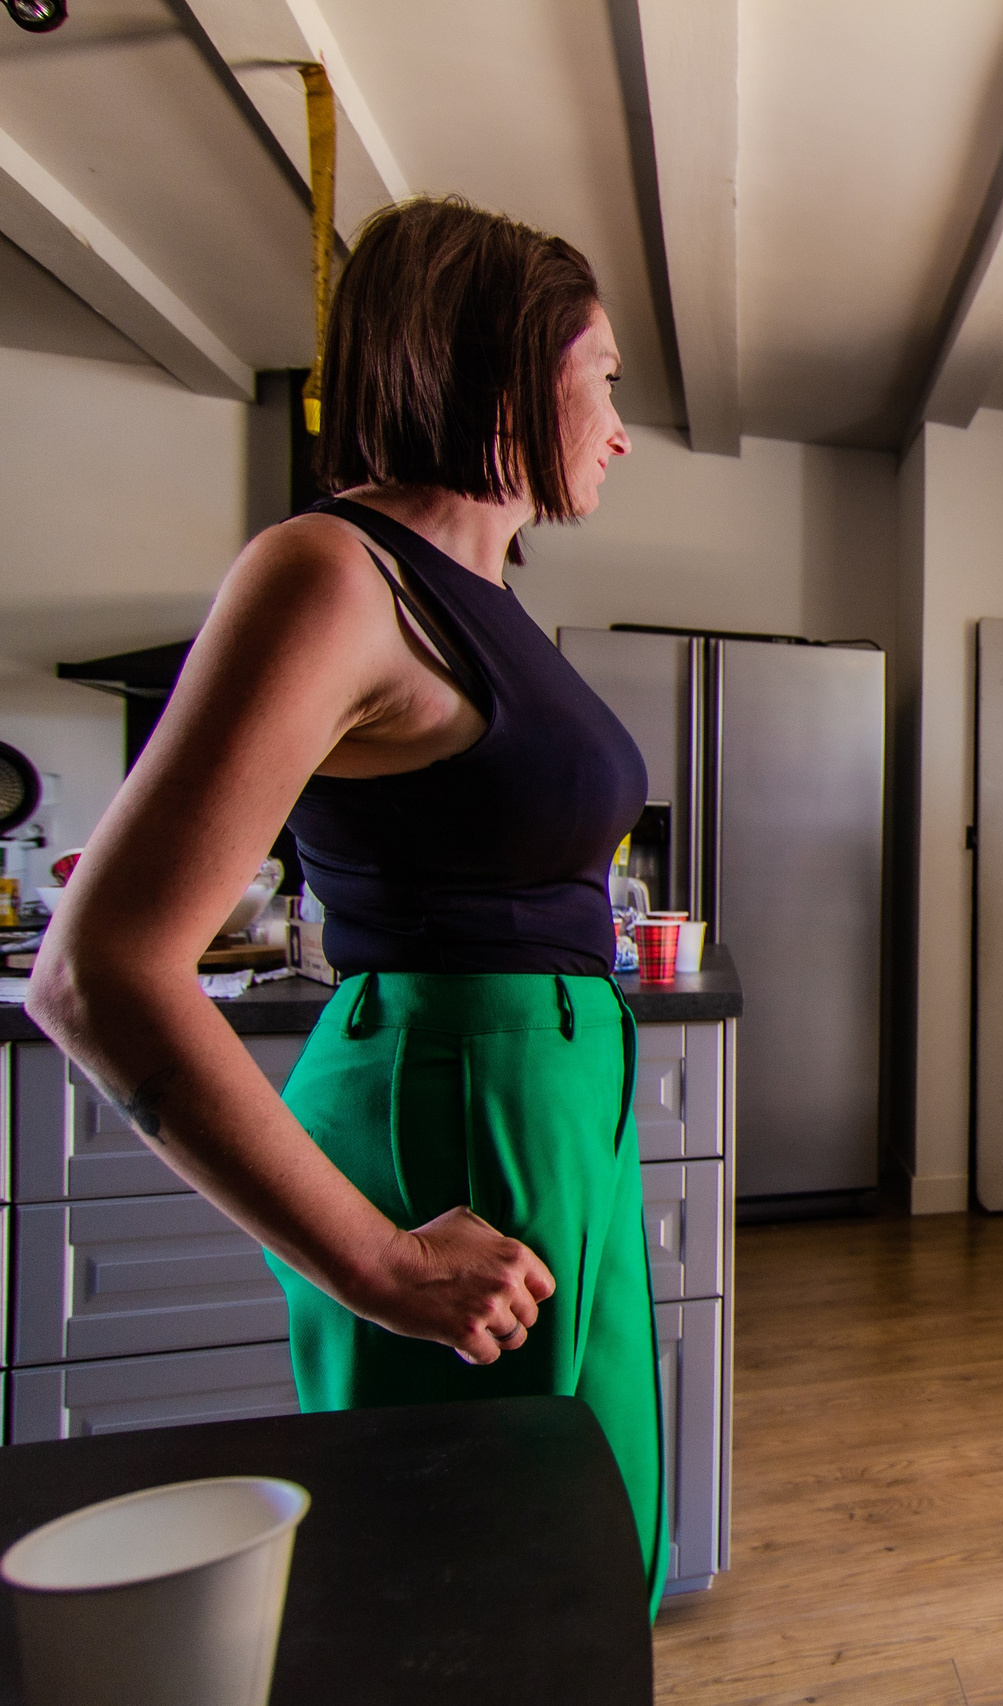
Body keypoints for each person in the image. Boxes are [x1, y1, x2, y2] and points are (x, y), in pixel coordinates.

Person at [28, 197, 668, 1605]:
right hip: (455, 1105)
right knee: (461, 1587)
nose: (622, 427)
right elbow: (100, 970)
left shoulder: (476, 590)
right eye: (605, 377)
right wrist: (374, 1258)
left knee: (580, 1552)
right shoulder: (329, 570)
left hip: (558, 1101)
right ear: (505, 367)